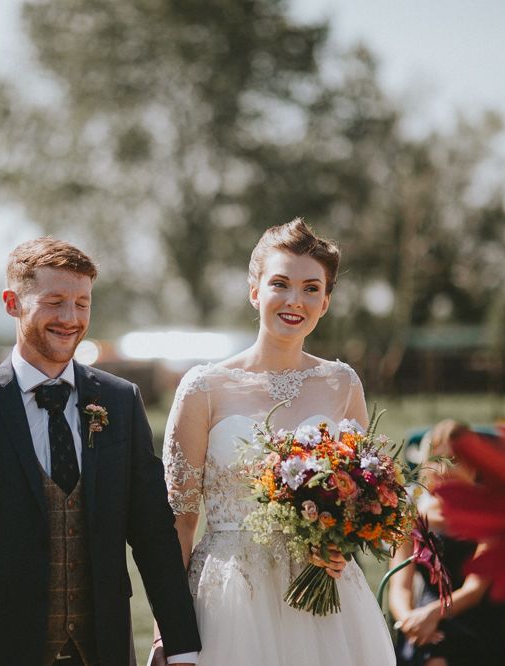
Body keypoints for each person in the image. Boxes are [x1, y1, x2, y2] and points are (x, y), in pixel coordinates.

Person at [0, 238, 201, 666]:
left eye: (82, 303)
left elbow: (154, 534)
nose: (70, 318)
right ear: (12, 303)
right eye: (54, 301)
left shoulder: (120, 402)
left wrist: (181, 645)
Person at [154, 218, 395, 665]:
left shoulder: (343, 383)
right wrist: (166, 633)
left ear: (325, 302)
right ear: (255, 291)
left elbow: (365, 495)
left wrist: (340, 545)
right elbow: (180, 521)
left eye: (310, 288)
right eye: (280, 283)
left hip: (325, 601)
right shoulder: (203, 388)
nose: (294, 300)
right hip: (231, 597)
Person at [388, 419, 505, 666]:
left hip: (479, 616)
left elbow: (473, 591)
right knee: (428, 651)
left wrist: (429, 615)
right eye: (438, 460)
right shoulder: (410, 517)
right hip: (423, 617)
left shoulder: (490, 516)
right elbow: (400, 587)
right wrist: (409, 620)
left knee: (439, 654)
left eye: (456, 461)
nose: (445, 470)